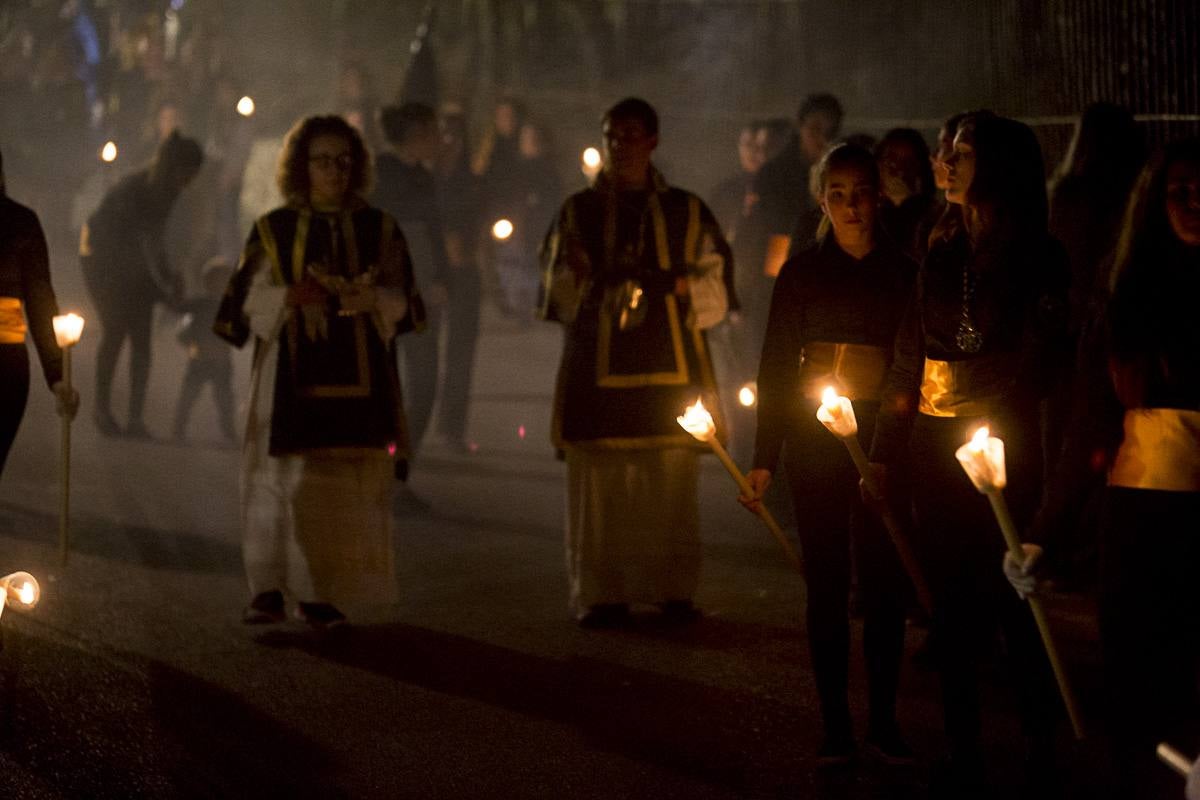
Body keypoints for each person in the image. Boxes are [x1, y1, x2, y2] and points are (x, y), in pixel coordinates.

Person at [868, 112, 1070, 796]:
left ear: (1001, 167)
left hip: (999, 448)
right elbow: (908, 349)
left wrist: (994, 433)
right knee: (951, 606)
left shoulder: (1038, 254)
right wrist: (883, 450)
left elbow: (1043, 358)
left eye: (961, 152)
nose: (943, 161)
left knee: (1017, 601)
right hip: (933, 446)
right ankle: (964, 749)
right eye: (944, 150)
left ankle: (1043, 747)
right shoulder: (939, 240)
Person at [1006, 138, 1200, 799]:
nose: (1194, 202)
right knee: (1142, 683)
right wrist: (1043, 534)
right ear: (1152, 203)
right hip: (1144, 524)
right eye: (1179, 190)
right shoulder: (1124, 303)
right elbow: (1088, 429)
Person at [740, 143, 917, 766]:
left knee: (884, 583)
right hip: (813, 445)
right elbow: (775, 363)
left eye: (860, 192)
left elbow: (908, 366)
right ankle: (836, 724)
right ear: (823, 200)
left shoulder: (903, 273)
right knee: (825, 583)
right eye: (836, 193)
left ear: (879, 195)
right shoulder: (802, 272)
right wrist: (764, 454)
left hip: (878, 443)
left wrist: (890, 451)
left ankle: (885, 720)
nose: (850, 205)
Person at [214, 115, 425, 630]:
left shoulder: (380, 229)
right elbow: (244, 303)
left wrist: (372, 298)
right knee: (279, 482)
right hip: (287, 374)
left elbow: (404, 301)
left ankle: (321, 593)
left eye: (342, 160)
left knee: (338, 488)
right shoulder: (275, 229)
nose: (333, 170)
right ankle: (268, 588)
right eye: (322, 160)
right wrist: (289, 296)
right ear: (300, 166)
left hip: (360, 377)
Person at [539, 97, 729, 628]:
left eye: (630, 135)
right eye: (611, 136)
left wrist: (684, 283)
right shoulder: (577, 211)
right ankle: (603, 593)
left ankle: (671, 589)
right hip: (597, 369)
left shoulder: (686, 210)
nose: (620, 146)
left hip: (670, 363)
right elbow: (555, 292)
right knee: (601, 483)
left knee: (668, 481)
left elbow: (717, 280)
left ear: (653, 140)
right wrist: (574, 275)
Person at [82, 129, 204, 438]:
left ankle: (135, 419)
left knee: (142, 342)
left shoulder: (172, 194)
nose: (190, 180)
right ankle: (102, 410)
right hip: (105, 264)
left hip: (137, 270)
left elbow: (165, 245)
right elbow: (144, 245)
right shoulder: (137, 189)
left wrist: (171, 280)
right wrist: (166, 285)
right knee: (115, 331)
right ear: (175, 168)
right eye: (187, 173)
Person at [373, 102, 449, 463]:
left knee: (423, 385)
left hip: (424, 291)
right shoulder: (379, 175)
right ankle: (382, 473)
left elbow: (434, 233)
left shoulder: (424, 176)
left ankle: (398, 469)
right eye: (433, 132)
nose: (440, 140)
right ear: (415, 135)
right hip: (389, 291)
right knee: (390, 385)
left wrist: (441, 279)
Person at [0, 147, 78, 476]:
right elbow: (40, 300)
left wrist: (58, 373)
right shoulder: (21, 222)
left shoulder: (20, 223)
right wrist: (56, 373)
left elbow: (40, 300)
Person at [432, 103, 483, 454]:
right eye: (445, 133)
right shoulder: (423, 180)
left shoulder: (472, 180)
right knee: (421, 355)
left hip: (464, 271)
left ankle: (452, 427)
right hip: (432, 273)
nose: (451, 142)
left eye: (457, 135)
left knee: (461, 353)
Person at [757, 93, 843, 279]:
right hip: (779, 267)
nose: (821, 138)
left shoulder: (837, 174)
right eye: (815, 128)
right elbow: (772, 227)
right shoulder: (775, 173)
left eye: (829, 132)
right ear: (801, 126)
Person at [171, 256, 235, 443]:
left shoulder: (230, 306)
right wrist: (177, 288)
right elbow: (179, 308)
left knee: (224, 399)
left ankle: (228, 431)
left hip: (220, 359)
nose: (218, 284)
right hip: (201, 357)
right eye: (214, 279)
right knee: (189, 396)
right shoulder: (201, 304)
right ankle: (179, 428)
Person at [874, 128, 936, 260]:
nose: (899, 169)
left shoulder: (931, 214)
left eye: (908, 162)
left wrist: (906, 203)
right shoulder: (866, 208)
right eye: (891, 159)